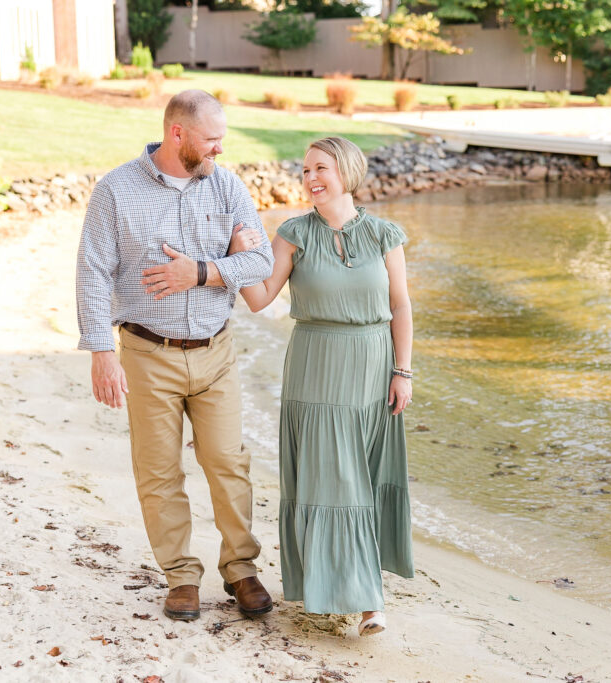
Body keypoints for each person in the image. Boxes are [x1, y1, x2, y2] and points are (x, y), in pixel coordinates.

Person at [75, 89, 275, 622]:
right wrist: (99, 348)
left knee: (228, 463)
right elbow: (93, 270)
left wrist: (204, 272)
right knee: (158, 471)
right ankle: (181, 576)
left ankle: (241, 570)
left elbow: (259, 261)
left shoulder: (227, 186)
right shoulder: (116, 190)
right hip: (146, 352)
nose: (219, 151)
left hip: (217, 351)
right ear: (177, 133)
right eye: (212, 141)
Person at [229, 136, 414, 637]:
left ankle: (356, 587)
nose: (310, 177)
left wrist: (404, 370)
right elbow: (260, 298)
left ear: (347, 173)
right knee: (335, 479)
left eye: (321, 168)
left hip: (372, 367)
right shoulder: (293, 233)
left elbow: (400, 306)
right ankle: (367, 599)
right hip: (314, 366)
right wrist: (238, 255)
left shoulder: (384, 234)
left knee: (363, 479)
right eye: (306, 169)